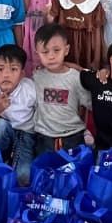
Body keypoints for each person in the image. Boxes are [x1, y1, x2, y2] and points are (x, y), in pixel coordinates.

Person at [31, 23, 92, 155]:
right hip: (43, 135)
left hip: (73, 133)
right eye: (45, 52)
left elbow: (90, 103)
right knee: (45, 172)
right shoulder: (36, 77)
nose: (51, 56)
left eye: (56, 50)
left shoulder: (76, 77)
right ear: (37, 53)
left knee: (74, 172)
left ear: (66, 50)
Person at [0, 43, 37, 185]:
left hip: (25, 134)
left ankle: (18, 158)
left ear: (22, 74)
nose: (6, 74)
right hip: (3, 134)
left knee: (23, 177)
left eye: (13, 69)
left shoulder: (30, 88)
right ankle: (1, 155)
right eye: (0, 69)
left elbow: (41, 115)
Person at [48, 0, 105, 70]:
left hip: (87, 52)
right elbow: (51, 27)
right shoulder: (60, 1)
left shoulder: (94, 5)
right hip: (64, 51)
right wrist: (47, 17)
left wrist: (97, 60)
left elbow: (98, 35)